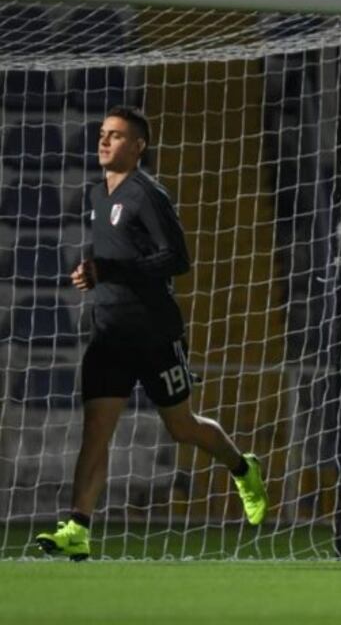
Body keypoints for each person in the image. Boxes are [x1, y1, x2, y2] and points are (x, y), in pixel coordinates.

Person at [35, 106, 268, 561]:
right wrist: (93, 272)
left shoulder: (147, 195)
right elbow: (116, 261)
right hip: (109, 335)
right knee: (96, 431)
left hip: (155, 334)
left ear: (138, 146)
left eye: (116, 136)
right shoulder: (99, 194)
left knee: (182, 427)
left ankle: (244, 468)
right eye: (103, 134)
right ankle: (77, 527)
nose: (104, 142)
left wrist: (112, 269)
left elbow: (177, 259)